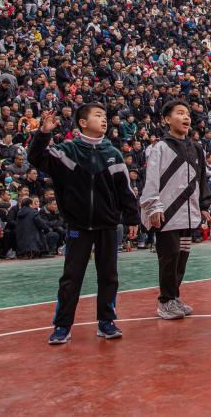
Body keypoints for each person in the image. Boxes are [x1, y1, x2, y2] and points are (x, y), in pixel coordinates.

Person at [29, 103, 140, 345]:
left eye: (105, 116)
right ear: (82, 122)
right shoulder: (66, 151)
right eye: (98, 116)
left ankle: (106, 321)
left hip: (108, 225)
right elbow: (36, 157)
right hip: (78, 225)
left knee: (108, 275)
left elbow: (125, 190)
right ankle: (62, 325)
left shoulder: (113, 153)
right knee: (71, 277)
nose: (104, 120)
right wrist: (43, 132)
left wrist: (132, 218)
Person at [140, 100, 211, 320]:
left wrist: (204, 206)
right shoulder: (159, 148)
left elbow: (201, 179)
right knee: (169, 258)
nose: (186, 117)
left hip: (189, 213)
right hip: (167, 213)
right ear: (167, 119)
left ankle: (174, 297)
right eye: (180, 113)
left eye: (187, 114)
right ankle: (165, 301)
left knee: (182, 257)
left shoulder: (196, 148)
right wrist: (153, 206)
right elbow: (151, 179)